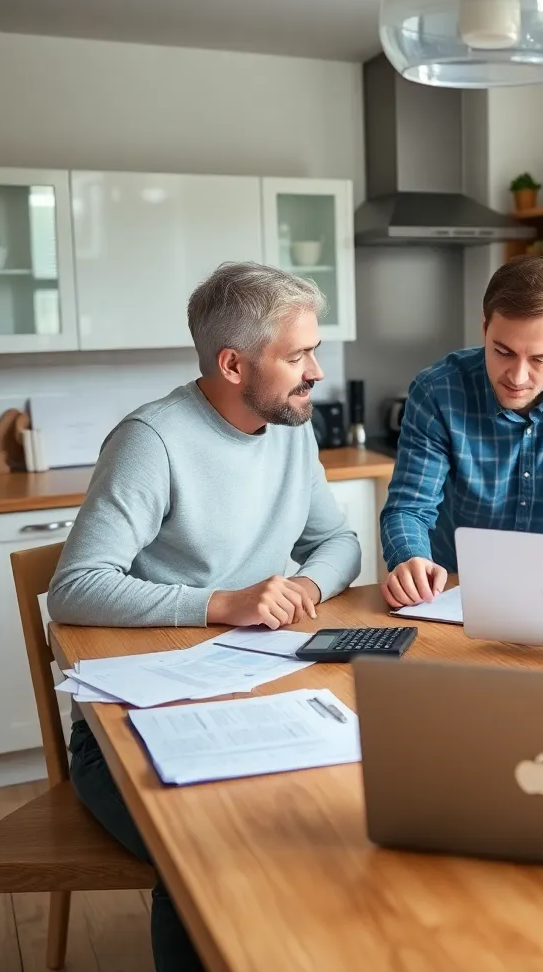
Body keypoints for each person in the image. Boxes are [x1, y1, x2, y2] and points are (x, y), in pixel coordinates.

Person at [48, 261, 361, 971]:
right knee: (208, 849)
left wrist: (305, 589)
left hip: (254, 691)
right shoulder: (151, 441)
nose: (316, 371)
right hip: (127, 729)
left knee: (326, 820)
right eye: (298, 354)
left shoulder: (290, 428)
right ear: (232, 364)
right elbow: (75, 587)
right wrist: (223, 602)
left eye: (314, 350)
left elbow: (338, 542)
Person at [380, 254, 543, 609]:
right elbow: (409, 508)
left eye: (539, 359)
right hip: (456, 588)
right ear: (485, 326)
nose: (518, 377)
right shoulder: (438, 392)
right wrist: (409, 558)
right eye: (503, 352)